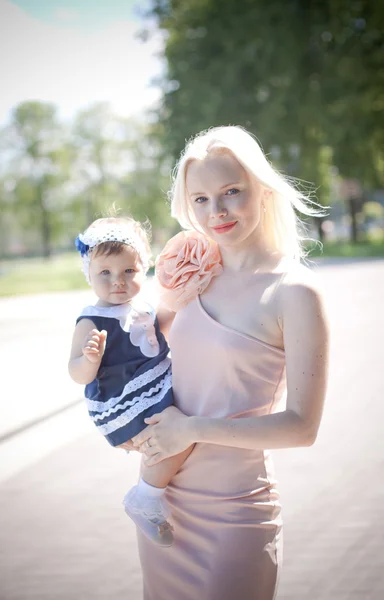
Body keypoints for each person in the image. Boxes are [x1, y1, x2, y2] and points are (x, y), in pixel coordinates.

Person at [132, 126, 330, 600]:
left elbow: (301, 428)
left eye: (231, 192)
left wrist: (191, 429)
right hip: (163, 504)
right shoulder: (193, 272)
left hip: (236, 514)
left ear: (261, 190)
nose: (215, 212)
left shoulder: (294, 293)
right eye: (199, 199)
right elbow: (153, 359)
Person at [68, 215, 196, 547]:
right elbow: (75, 372)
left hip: (151, 383)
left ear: (143, 269)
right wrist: (89, 360)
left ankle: (153, 491)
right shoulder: (92, 319)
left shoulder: (140, 307)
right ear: (89, 275)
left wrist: (184, 297)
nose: (117, 282)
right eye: (105, 274)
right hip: (122, 398)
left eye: (128, 271)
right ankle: (146, 497)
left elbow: (161, 327)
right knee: (174, 435)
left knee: (183, 424)